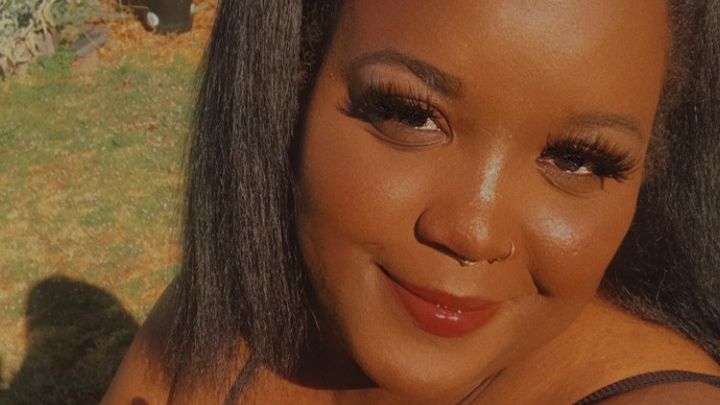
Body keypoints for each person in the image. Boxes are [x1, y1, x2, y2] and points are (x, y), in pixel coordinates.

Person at [103, 1, 720, 403]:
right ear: (290, 78)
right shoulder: (228, 313)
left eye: (577, 159)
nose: (475, 232)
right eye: (410, 115)